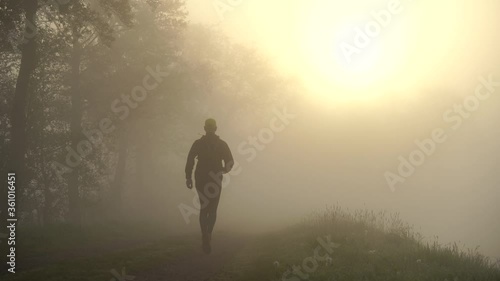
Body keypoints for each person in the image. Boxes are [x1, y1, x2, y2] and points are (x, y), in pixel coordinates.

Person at [185, 118, 234, 254]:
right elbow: (230, 162)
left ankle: (204, 234)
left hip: (200, 178)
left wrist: (188, 177)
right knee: (213, 209)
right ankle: (209, 235)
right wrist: (224, 170)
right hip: (215, 179)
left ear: (205, 128)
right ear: (216, 128)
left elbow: (190, 160)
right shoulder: (222, 144)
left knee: (203, 207)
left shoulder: (198, 143)